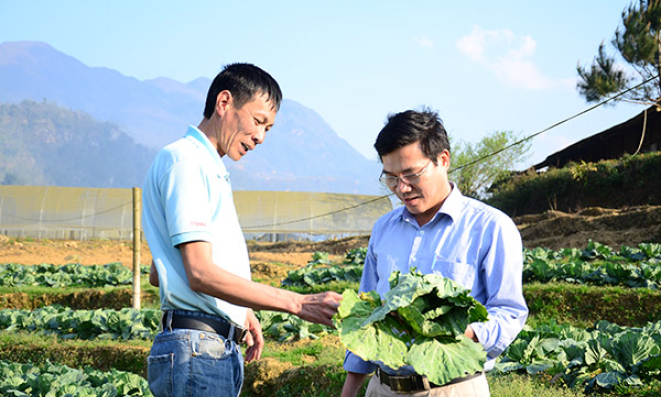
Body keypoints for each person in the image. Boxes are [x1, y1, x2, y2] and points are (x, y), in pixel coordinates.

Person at [141, 63, 342, 397]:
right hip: (198, 352)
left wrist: (239, 310)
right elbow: (199, 272)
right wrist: (298, 303)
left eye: (269, 129)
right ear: (224, 103)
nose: (261, 137)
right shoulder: (187, 163)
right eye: (258, 121)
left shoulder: (206, 166)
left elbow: (159, 271)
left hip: (208, 347)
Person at [341, 109, 528, 397]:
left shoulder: (490, 227)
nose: (401, 188)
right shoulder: (384, 229)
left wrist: (452, 332)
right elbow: (365, 313)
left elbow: (509, 312)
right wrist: (351, 389)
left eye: (411, 174)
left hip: (452, 388)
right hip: (382, 388)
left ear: (443, 159)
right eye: (390, 178)